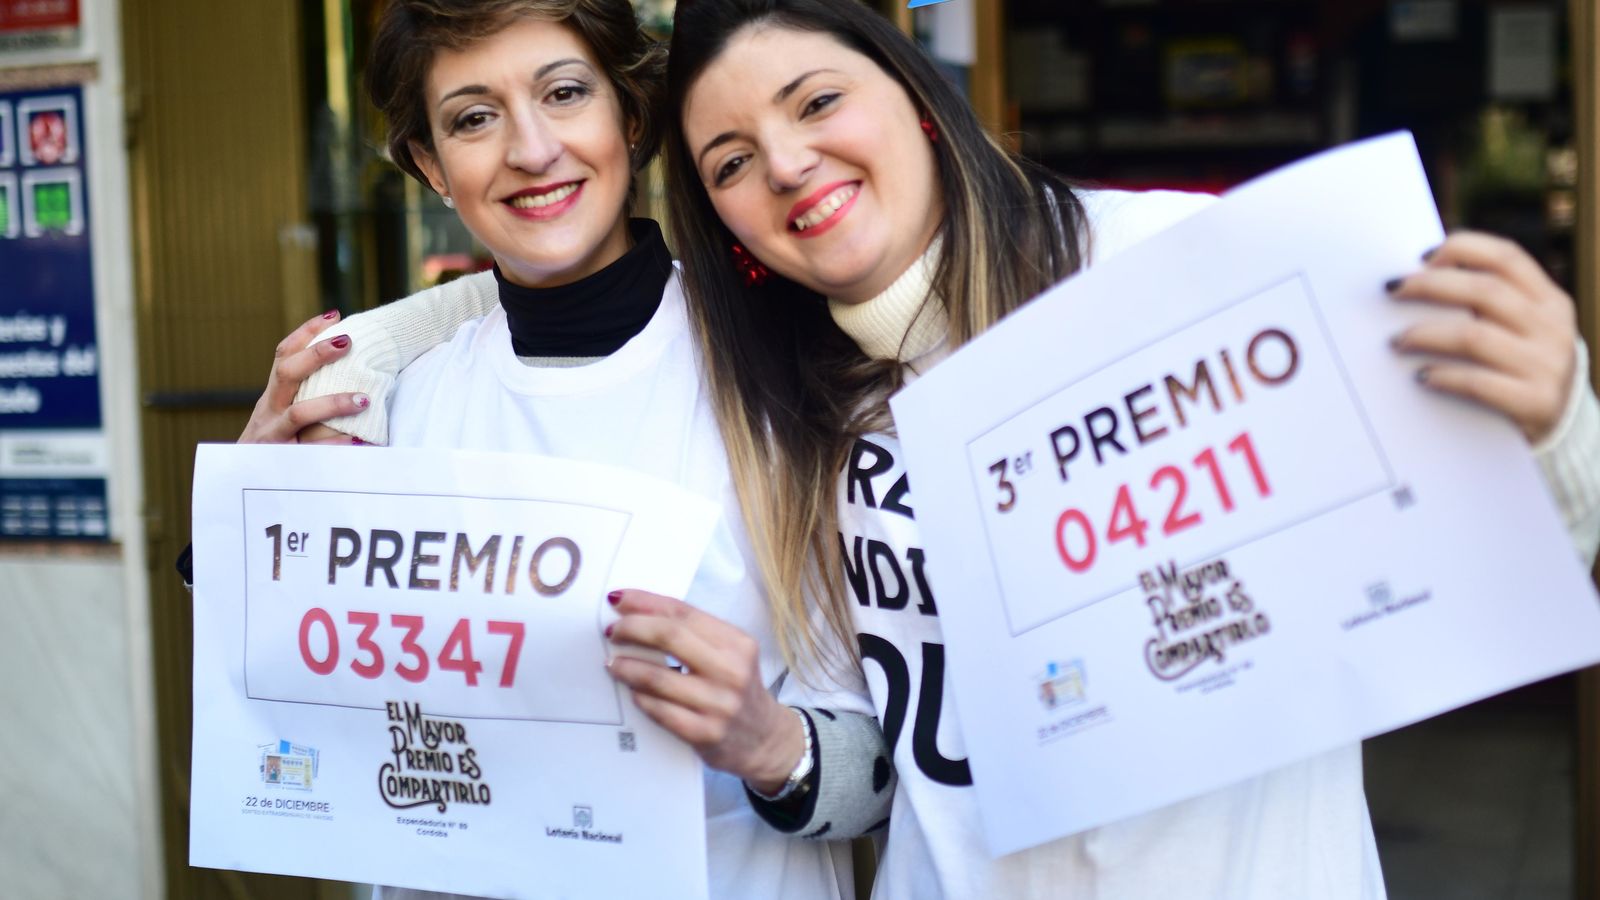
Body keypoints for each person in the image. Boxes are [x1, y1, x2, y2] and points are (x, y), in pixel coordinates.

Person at [270, 0, 1600, 896]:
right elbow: (561, 304)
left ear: (913, 96)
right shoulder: (798, 378)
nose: (787, 166)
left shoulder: (1166, 269)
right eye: (730, 157)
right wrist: (355, 367)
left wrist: (1552, 417)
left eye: (816, 102)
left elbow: (1513, 545)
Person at [238, 1, 890, 898]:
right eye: (473, 118)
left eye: (565, 92)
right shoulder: (390, 407)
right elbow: (308, 742)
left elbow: (907, 770)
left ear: (629, 115)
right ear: (430, 164)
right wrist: (253, 529)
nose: (532, 149)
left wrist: (775, 745)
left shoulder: (782, 376)